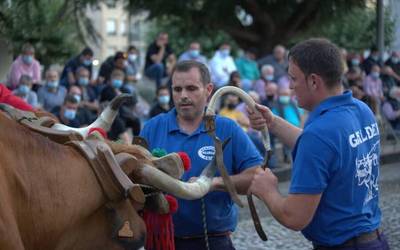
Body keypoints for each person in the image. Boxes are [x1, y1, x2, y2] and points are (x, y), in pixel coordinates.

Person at [248, 38, 389, 249]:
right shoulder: (361, 110)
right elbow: (327, 150)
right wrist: (273, 123)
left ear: (314, 81)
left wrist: (267, 190)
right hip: (375, 240)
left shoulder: (319, 135)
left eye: (293, 78)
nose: (290, 86)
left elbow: (295, 217)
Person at [140, 60, 263, 250]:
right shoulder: (152, 128)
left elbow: (257, 178)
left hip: (213, 240)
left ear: (208, 90)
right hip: (161, 240)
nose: (183, 96)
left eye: (191, 88)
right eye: (177, 89)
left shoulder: (227, 128)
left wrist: (213, 183)